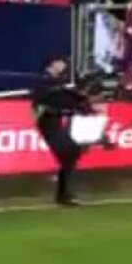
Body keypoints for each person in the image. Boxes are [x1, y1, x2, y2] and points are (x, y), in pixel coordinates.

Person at [30, 57, 96, 206]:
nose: (64, 66)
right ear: (52, 64)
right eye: (61, 63)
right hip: (47, 122)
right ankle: (62, 191)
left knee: (71, 154)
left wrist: (82, 102)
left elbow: (70, 99)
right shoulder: (43, 81)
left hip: (56, 122)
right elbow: (43, 100)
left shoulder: (59, 83)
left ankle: (63, 192)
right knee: (70, 152)